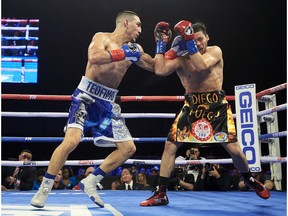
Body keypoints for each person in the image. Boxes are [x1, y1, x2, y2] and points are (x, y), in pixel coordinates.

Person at [31, 10, 154, 208]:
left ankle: (91, 181)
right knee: (71, 141)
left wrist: (166, 47)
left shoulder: (135, 48)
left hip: (109, 102)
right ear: (125, 23)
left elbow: (157, 67)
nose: (140, 29)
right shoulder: (102, 37)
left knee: (128, 148)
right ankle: (44, 189)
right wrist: (123, 53)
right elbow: (95, 57)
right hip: (87, 96)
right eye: (138, 24)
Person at [140, 20, 270, 206]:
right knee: (170, 146)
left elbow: (201, 66)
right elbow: (159, 70)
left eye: (200, 39)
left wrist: (187, 39)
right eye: (194, 40)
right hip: (192, 106)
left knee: (235, 151)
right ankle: (161, 193)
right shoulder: (181, 58)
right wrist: (162, 46)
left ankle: (249, 179)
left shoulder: (215, 51)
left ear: (207, 38)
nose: (198, 43)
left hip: (216, 106)